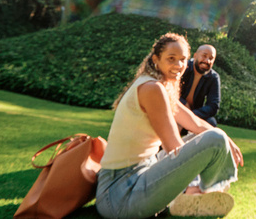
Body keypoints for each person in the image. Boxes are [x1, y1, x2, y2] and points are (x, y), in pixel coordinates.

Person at [96, 33, 244, 218]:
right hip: (120, 195)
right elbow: (173, 147)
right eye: (171, 59)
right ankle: (196, 192)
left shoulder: (160, 86)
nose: (179, 65)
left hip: (138, 176)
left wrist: (226, 140)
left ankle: (199, 192)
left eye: (182, 60)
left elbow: (194, 122)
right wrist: (209, 154)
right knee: (214, 139)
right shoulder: (152, 89)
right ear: (156, 59)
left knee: (214, 135)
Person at [180, 44, 220, 128]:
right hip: (176, 110)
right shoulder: (183, 68)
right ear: (195, 56)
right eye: (204, 56)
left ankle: (194, 140)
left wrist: (192, 114)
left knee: (211, 122)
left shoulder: (213, 77)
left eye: (211, 58)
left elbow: (213, 106)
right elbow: (169, 90)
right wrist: (184, 103)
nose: (207, 61)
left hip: (196, 115)